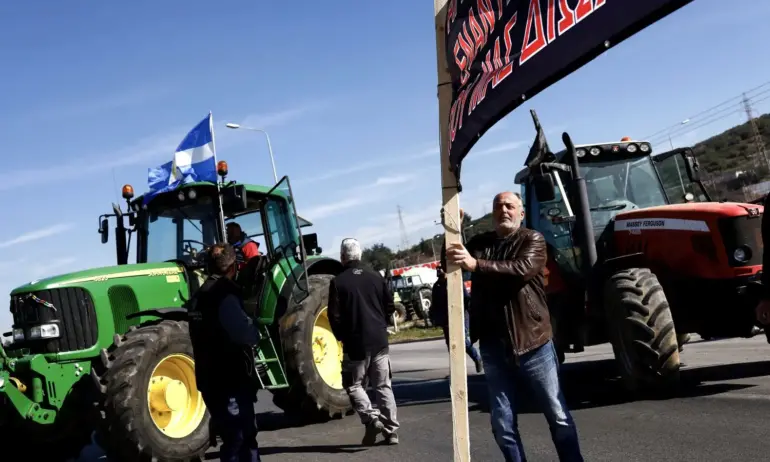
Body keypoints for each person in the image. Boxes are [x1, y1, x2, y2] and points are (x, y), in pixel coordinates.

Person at [447, 191, 583, 462]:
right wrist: (452, 233)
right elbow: (450, 264)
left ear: (521, 213)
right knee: (502, 422)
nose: (504, 210)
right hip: (494, 347)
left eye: (510, 206)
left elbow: (521, 269)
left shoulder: (532, 239)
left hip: (533, 343)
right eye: (498, 206)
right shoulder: (481, 243)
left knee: (557, 414)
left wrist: (477, 265)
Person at [188, 243, 262, 462]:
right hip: (230, 379)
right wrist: (255, 331)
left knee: (232, 437)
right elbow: (243, 333)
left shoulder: (198, 296)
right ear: (233, 267)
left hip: (209, 378)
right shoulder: (225, 295)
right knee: (240, 438)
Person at [328, 238, 400, 446]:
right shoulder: (376, 277)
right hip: (379, 340)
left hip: (356, 344)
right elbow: (389, 305)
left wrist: (343, 337)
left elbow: (335, 316)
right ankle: (392, 431)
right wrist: (381, 324)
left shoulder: (338, 282)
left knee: (353, 384)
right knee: (383, 386)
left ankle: (371, 419)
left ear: (342, 257)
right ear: (359, 255)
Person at [430, 265, 483, 373]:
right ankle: (457, 371)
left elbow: (466, 298)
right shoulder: (437, 286)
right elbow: (435, 304)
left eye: (441, 268)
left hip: (461, 315)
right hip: (446, 320)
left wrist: (472, 311)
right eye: (437, 269)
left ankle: (477, 358)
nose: (439, 270)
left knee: (462, 340)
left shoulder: (455, 281)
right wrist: (434, 317)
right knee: (451, 345)